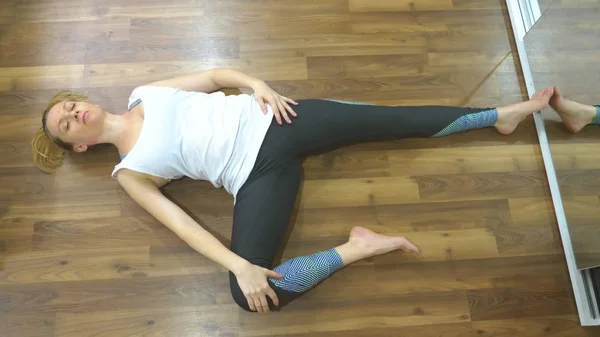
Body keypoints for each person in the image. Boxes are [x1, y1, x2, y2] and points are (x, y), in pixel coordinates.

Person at [31, 68, 571, 314]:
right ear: (78, 145)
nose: (74, 113)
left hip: (277, 121)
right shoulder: (129, 173)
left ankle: (499, 116)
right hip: (254, 176)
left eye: (70, 106)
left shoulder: (146, 91)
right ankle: (357, 247)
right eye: (67, 124)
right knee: (248, 295)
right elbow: (183, 225)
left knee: (392, 120)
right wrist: (239, 264)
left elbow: (217, 75)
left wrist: (257, 86)